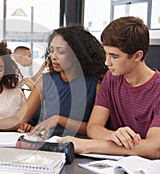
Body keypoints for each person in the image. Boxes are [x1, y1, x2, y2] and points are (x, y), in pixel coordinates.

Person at [0, 24, 107, 140]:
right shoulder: (46, 81)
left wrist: (59, 120)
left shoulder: (97, 84)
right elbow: (18, 118)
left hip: (80, 147)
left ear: (78, 55)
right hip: (45, 145)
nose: (53, 57)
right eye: (51, 51)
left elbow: (94, 128)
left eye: (60, 52)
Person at [59, 16, 160, 159]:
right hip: (114, 164)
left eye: (114, 56)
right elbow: (93, 127)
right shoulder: (111, 79)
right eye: (106, 54)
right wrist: (112, 135)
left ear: (137, 56)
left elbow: (154, 148)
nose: (107, 62)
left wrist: (87, 145)